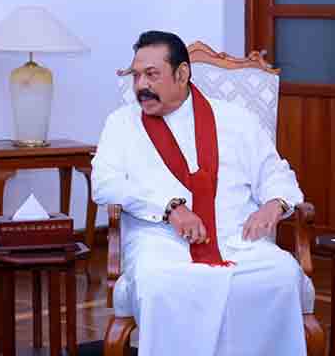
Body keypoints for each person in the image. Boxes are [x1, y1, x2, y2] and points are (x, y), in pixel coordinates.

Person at [91, 31, 309, 356]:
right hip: (161, 243)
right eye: (136, 75)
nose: (140, 86)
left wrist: (274, 205)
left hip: (237, 239)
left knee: (281, 274)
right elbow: (104, 183)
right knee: (160, 283)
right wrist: (169, 207)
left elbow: (275, 172)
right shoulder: (121, 124)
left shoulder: (236, 119)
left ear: (182, 74)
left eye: (151, 75)